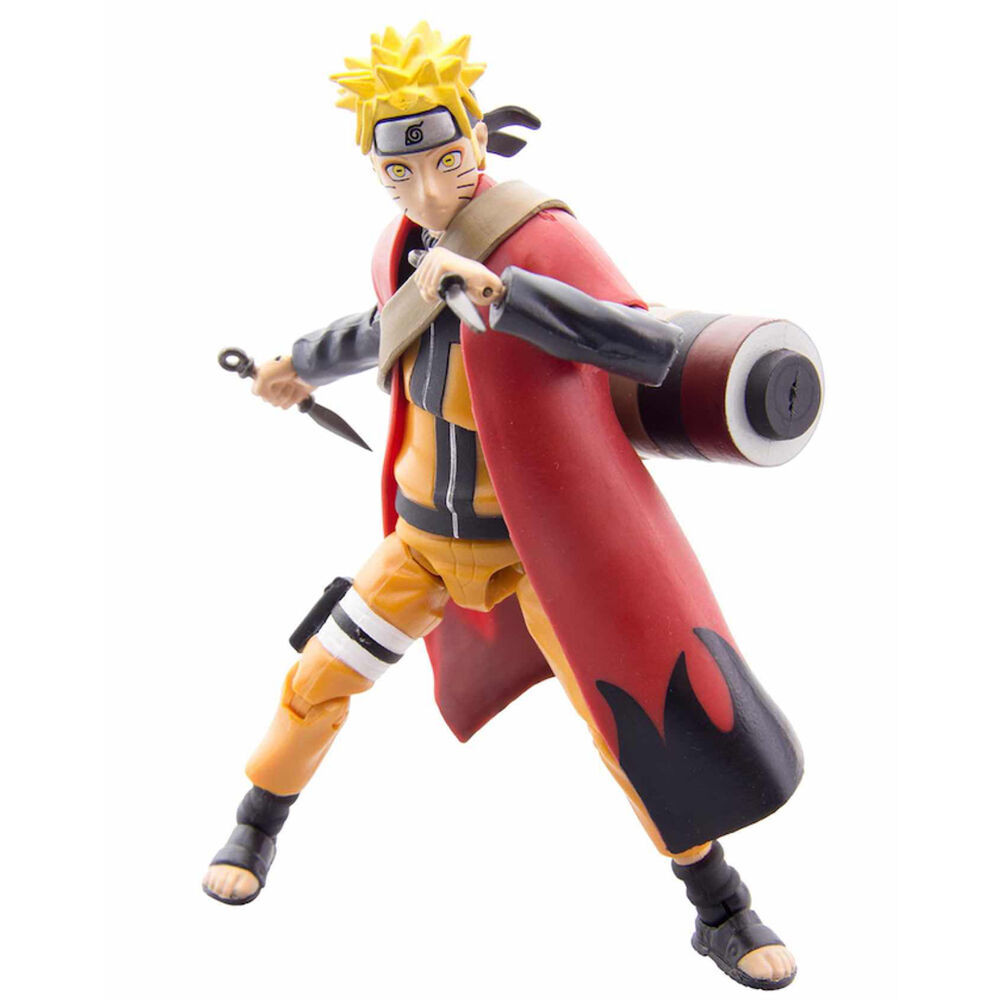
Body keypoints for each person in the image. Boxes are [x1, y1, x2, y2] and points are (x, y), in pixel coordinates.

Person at [203, 22, 802, 991]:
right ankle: (255, 823)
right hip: (419, 546)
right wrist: (297, 363)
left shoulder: (542, 237)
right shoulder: (405, 243)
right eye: (399, 175)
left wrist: (507, 297)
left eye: (445, 162)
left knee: (630, 728)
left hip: (539, 560)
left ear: (477, 138)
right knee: (317, 680)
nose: (427, 191)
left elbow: (648, 345)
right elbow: (383, 328)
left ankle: (720, 905)